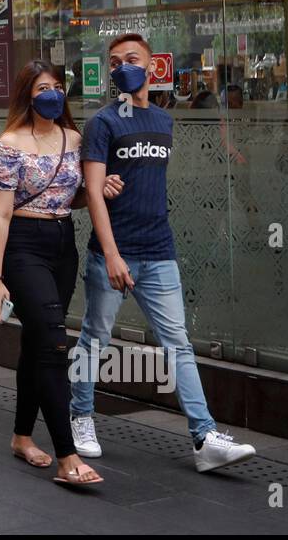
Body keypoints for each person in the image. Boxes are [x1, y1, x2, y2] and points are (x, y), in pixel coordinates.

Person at [70, 33, 257, 472]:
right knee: (94, 340)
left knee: (179, 344)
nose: (121, 68)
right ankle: (80, 417)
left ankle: (205, 438)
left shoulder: (163, 121)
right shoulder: (103, 123)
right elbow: (94, 194)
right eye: (114, 62)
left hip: (159, 251)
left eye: (131, 59)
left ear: (152, 67)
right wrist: (112, 254)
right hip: (111, 253)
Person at [0, 61, 118, 485]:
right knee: (55, 345)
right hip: (22, 245)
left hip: (63, 243)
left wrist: (99, 190)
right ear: (28, 94)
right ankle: (67, 455)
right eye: (43, 88)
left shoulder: (75, 138)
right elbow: (0, 216)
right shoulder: (9, 143)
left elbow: (73, 197)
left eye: (57, 87)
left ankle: (22, 437)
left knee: (37, 342)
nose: (52, 95)